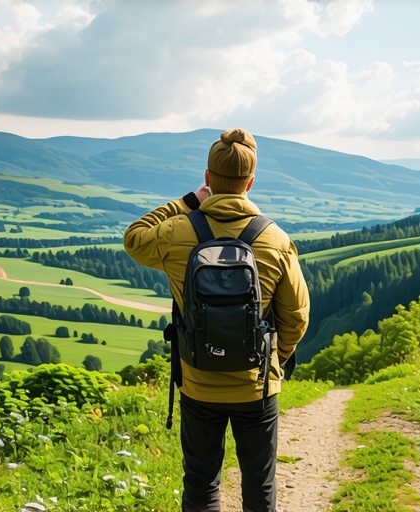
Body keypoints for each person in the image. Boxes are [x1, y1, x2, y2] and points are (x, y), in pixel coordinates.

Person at [124, 128, 310, 512]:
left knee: (202, 482)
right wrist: (275, 358)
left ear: (208, 178)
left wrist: (190, 200)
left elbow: (134, 237)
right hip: (257, 385)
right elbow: (296, 316)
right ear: (250, 182)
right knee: (260, 486)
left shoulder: (177, 232)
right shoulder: (275, 239)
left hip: (198, 380)